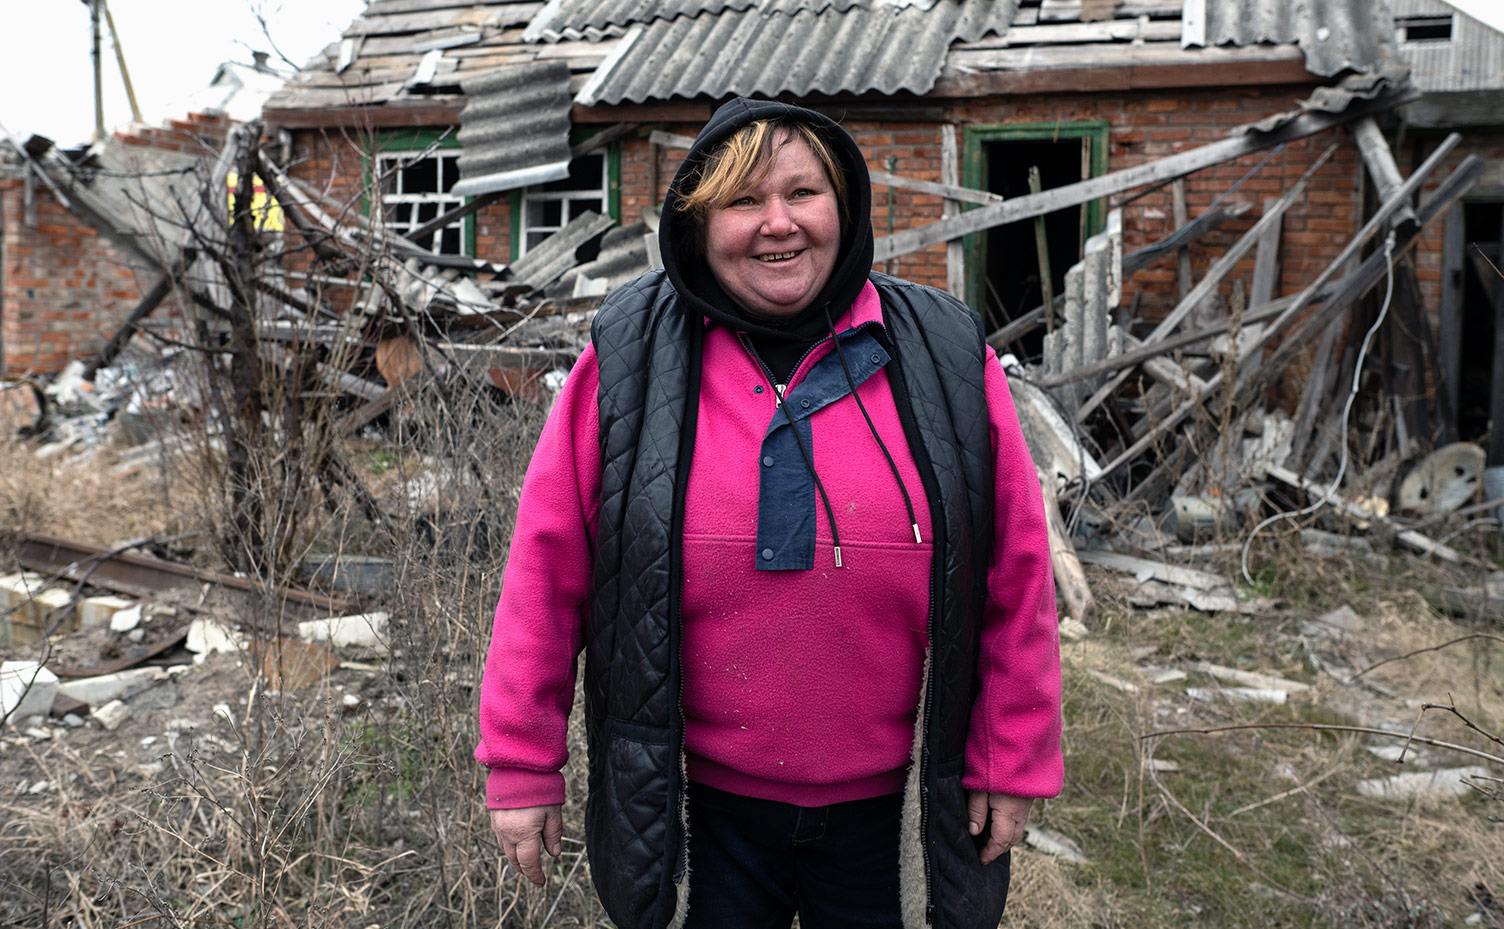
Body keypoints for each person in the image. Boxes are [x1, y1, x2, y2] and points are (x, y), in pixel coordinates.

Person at [476, 97, 1062, 929]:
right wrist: (523, 761)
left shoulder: (942, 350)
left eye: (803, 193)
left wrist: (1012, 756)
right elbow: (547, 564)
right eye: (743, 200)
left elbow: (1016, 571)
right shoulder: (634, 354)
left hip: (890, 811)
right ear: (699, 222)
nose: (777, 223)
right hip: (694, 808)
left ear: (845, 206)